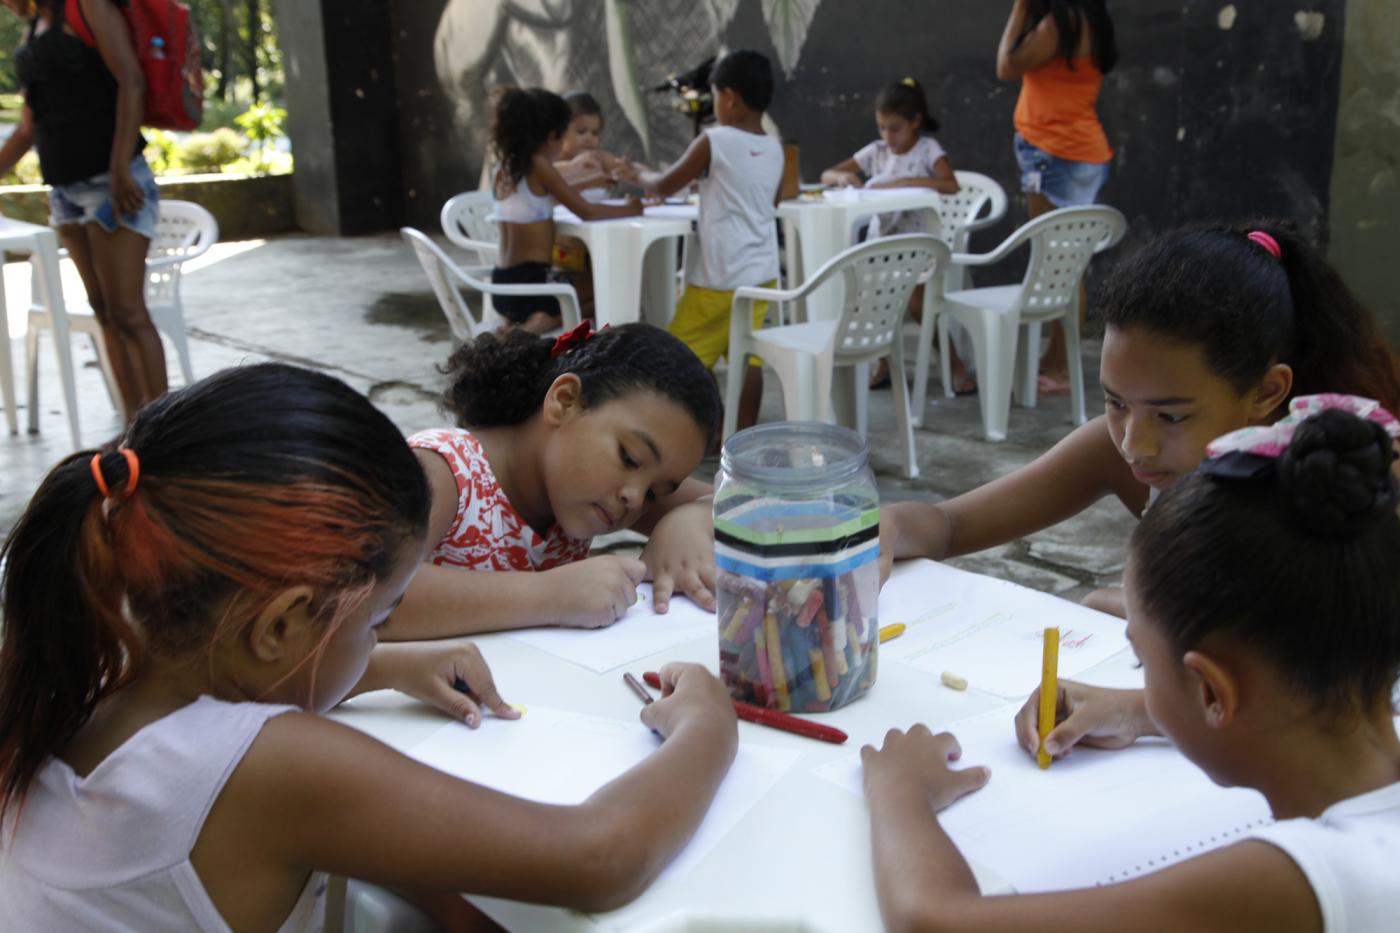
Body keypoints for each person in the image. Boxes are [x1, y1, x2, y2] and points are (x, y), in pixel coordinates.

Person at [0, 363, 739, 932]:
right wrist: (708, 725)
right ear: (282, 627)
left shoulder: (84, 657)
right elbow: (597, 857)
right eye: (381, 617)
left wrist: (383, 664)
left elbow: (224, 699)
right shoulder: (270, 765)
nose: (381, 634)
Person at [862, 401, 1400, 932]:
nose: (1136, 678)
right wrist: (1139, 712)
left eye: (1139, 659)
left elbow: (933, 921)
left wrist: (901, 792)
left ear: (1213, 693)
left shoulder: (1308, 878)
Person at [879, 222, 1400, 613]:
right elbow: (949, 526)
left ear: (1267, 391)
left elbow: (1312, 686)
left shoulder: (1345, 489)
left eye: (1171, 417)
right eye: (1115, 402)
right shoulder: (1126, 454)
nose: (1134, 444)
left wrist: (1143, 628)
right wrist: (888, 526)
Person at [387, 322, 723, 639]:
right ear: (564, 402)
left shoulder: (590, 493)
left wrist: (687, 520)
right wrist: (549, 595)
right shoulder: (444, 473)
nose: (636, 498)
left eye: (655, 493)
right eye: (630, 458)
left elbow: (749, 502)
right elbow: (357, 591)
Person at [0, 0, 166, 421]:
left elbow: (131, 82)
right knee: (103, 310)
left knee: (129, 311)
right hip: (65, 189)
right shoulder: (37, 25)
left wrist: (118, 167)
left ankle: (166, 432)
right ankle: (132, 427)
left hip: (113, 183)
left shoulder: (86, 5)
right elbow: (28, 128)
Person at [639, 49, 782, 433]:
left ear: (729, 98)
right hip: (761, 272)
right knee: (746, 358)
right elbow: (770, 200)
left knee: (678, 357)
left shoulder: (714, 139)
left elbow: (662, 185)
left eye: (715, 95)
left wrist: (636, 174)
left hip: (719, 275)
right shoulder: (774, 146)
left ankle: (690, 430)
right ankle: (737, 435)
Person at [997, 0, 1117, 396]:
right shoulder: (1093, 20)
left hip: (1054, 154)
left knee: (1059, 261)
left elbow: (1006, 65)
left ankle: (1063, 367)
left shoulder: (1059, 24)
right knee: (1065, 261)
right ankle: (1055, 358)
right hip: (1074, 152)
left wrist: (1019, 8)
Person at [821, 77, 968, 393]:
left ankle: (954, 364)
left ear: (915, 121)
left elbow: (950, 184)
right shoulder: (876, 152)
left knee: (919, 306)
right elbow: (827, 173)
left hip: (916, 246)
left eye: (895, 128)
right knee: (874, 304)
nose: (888, 136)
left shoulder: (928, 150)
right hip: (880, 244)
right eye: (882, 128)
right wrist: (843, 176)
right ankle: (883, 364)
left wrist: (906, 183)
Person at [489, 86, 641, 334]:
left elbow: (544, 200)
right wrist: (632, 209)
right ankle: (535, 326)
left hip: (503, 284)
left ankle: (517, 325)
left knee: (592, 292)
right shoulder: (539, 165)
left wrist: (590, 183)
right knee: (610, 289)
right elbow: (587, 212)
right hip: (535, 284)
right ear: (551, 137)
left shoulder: (505, 168)